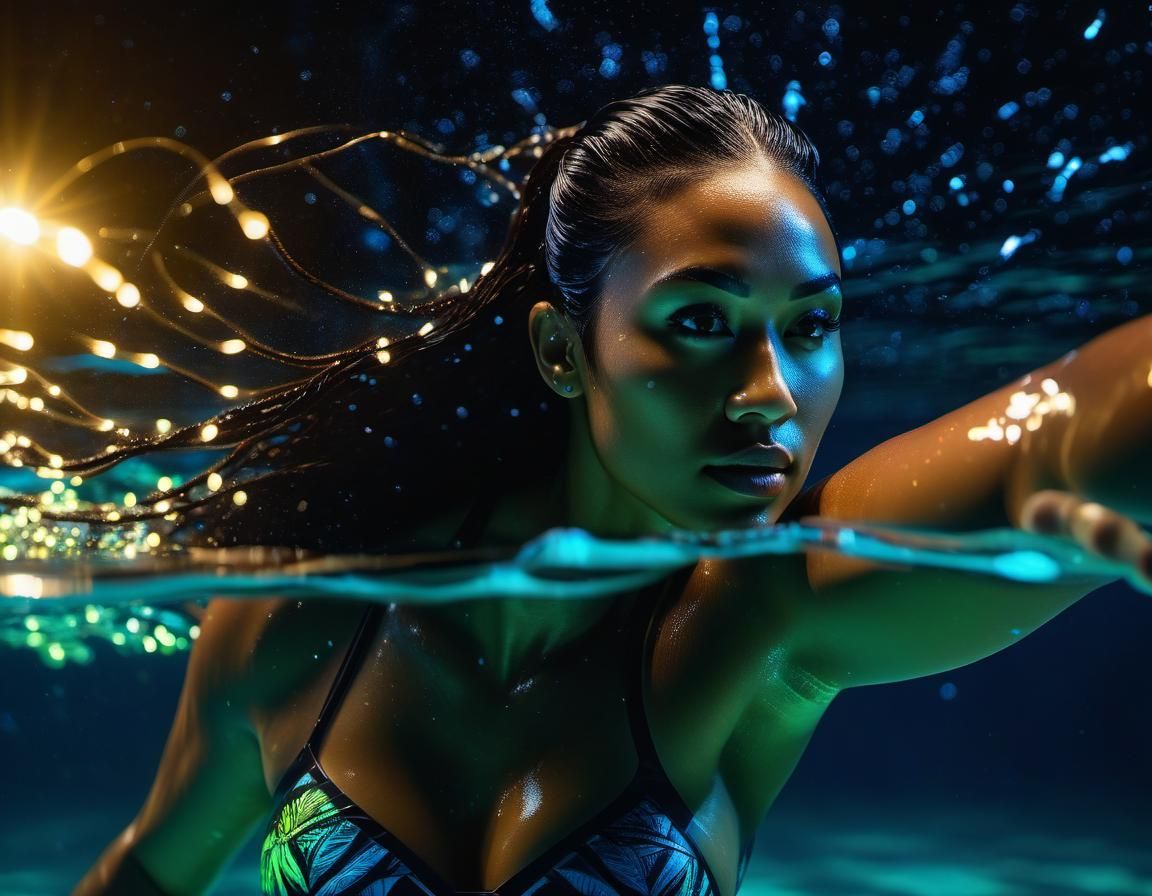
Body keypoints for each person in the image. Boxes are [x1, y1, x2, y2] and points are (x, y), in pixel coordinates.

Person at [71, 83, 1150, 896]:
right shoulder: (297, 619)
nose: (774, 394)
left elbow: (1069, 437)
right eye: (702, 321)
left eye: (813, 325)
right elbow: (145, 871)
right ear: (561, 350)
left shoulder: (753, 619)